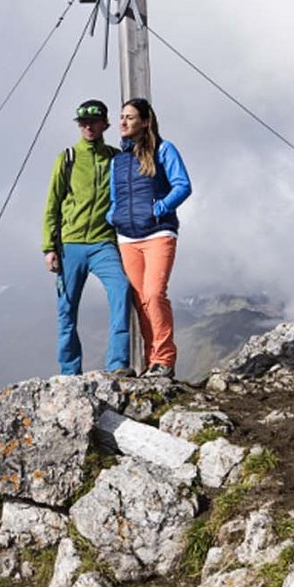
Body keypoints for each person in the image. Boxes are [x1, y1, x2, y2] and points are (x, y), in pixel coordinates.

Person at [41, 100, 132, 376]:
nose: (87, 127)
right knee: (66, 311)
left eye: (93, 121)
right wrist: (48, 247)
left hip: (104, 242)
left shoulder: (116, 158)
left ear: (105, 124)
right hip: (70, 244)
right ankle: (70, 372)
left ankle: (117, 365)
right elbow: (52, 203)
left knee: (122, 289)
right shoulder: (67, 157)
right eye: (82, 123)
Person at [109, 96, 191, 377]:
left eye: (130, 117)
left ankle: (165, 360)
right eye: (122, 117)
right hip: (127, 238)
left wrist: (161, 207)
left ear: (145, 121)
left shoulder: (164, 149)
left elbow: (183, 185)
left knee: (155, 295)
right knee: (141, 300)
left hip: (158, 232)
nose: (123, 122)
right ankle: (151, 361)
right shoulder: (118, 161)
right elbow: (113, 197)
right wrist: (113, 215)